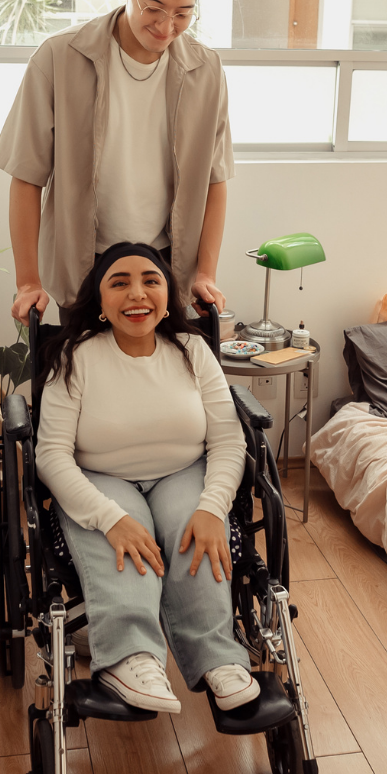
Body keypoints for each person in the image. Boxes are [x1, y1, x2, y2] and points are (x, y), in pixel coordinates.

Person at [33, 242, 258, 713]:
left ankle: (219, 659)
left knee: (194, 536)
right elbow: (52, 455)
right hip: (100, 475)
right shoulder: (73, 357)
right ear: (99, 299)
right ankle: (130, 659)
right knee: (125, 543)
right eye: (120, 282)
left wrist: (213, 506)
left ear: (166, 294)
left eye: (150, 281)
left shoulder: (192, 349)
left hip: (183, 471)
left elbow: (228, 440)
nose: (137, 294)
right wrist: (109, 517)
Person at [0, 0, 233, 325]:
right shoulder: (60, 58)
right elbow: (27, 176)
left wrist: (205, 273)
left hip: (165, 272)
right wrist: (27, 282)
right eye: (153, 7)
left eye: (183, 13)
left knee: (164, 383)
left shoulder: (206, 70)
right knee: (82, 381)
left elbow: (216, 179)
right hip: (84, 266)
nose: (166, 26)